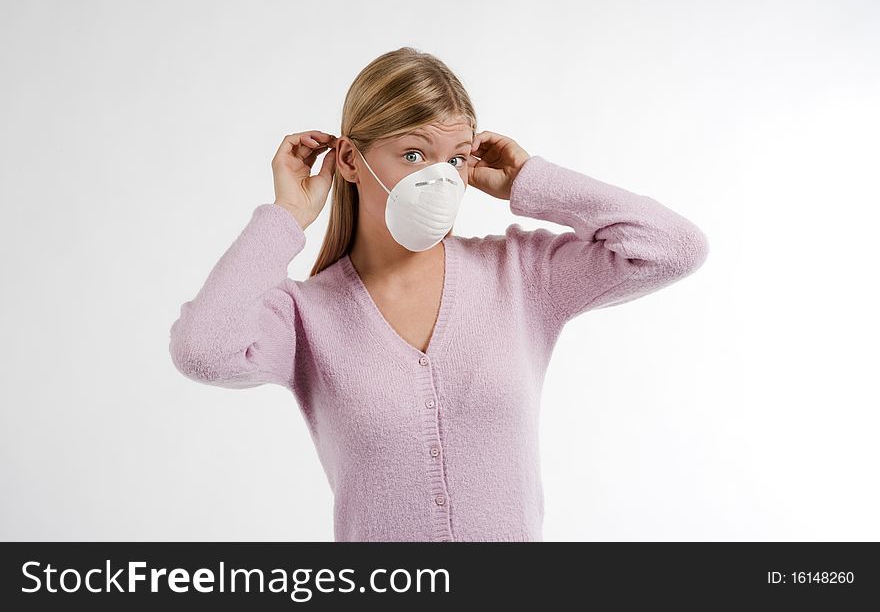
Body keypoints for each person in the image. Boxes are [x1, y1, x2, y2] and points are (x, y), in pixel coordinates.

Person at [168, 47, 710, 542]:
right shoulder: (305, 315)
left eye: (454, 159)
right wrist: (286, 219)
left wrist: (528, 180)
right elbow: (203, 350)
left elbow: (674, 247)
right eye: (412, 154)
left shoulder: (519, 274)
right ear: (351, 162)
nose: (439, 179)